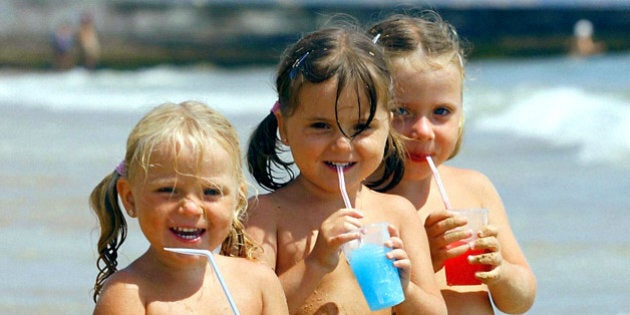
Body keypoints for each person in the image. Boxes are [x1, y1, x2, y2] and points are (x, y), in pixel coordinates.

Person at [245, 24, 446, 315]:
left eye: (361, 127)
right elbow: (246, 309)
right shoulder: (262, 217)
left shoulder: (398, 214)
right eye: (320, 126)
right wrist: (315, 263)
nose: (342, 146)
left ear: (387, 125)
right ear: (284, 126)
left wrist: (406, 290)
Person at [368, 12, 537, 314]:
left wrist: (500, 273)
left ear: (461, 115)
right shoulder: (362, 202)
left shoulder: (473, 188)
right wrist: (426, 262)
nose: (423, 130)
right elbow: (364, 304)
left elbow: (521, 301)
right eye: (401, 112)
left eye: (441, 112)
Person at [90, 101, 288, 314]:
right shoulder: (126, 296)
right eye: (168, 190)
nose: (191, 208)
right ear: (130, 198)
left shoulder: (259, 284)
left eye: (211, 192)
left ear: (237, 201)